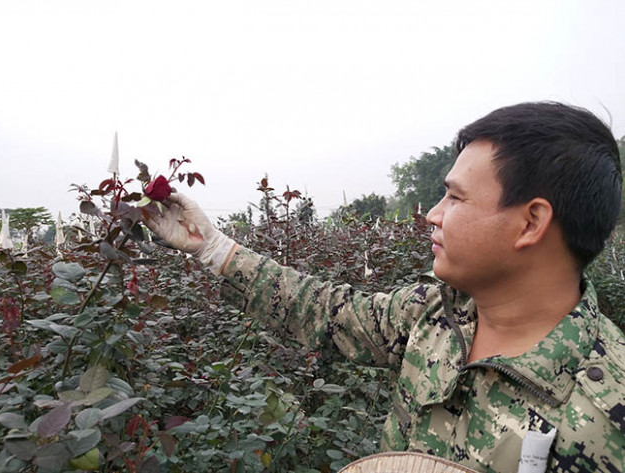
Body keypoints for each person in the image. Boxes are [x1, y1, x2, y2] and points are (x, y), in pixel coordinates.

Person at [145, 102, 625, 473]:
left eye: (455, 197)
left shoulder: (607, 413)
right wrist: (212, 247)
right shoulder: (434, 314)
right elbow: (328, 311)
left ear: (531, 222)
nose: (432, 214)